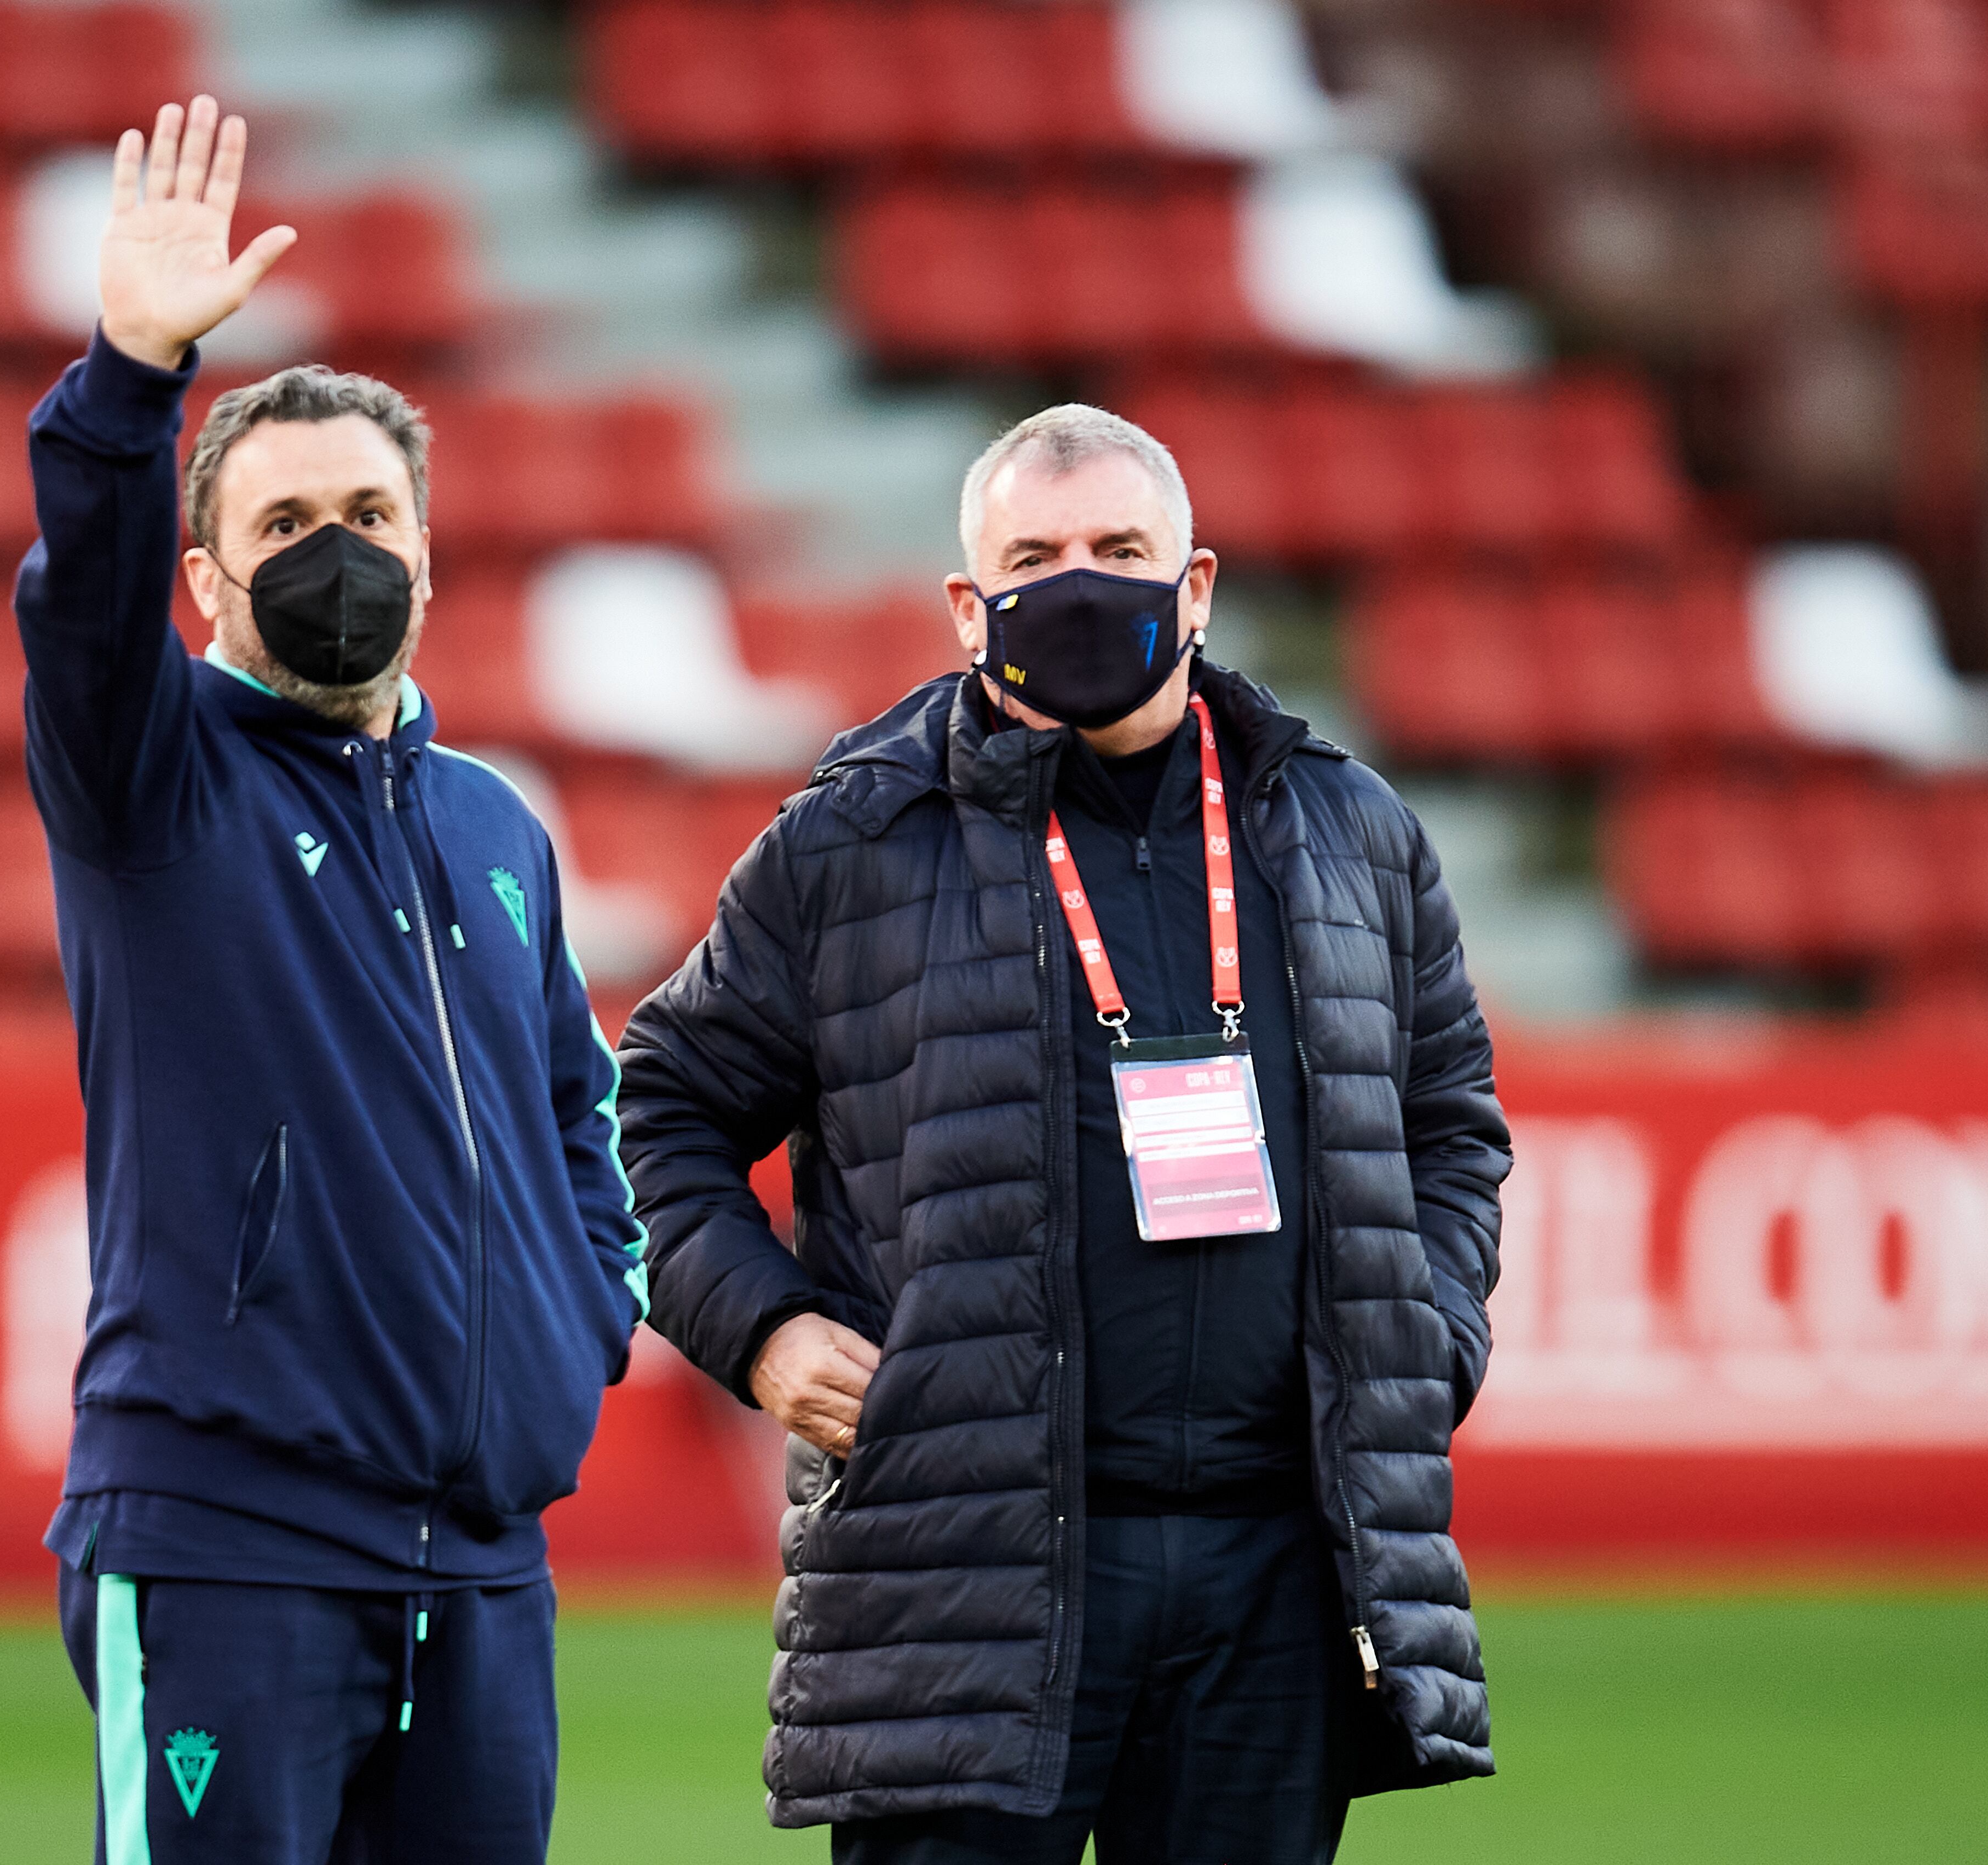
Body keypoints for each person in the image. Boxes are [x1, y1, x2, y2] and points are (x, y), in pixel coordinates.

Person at [616, 405, 1508, 1861]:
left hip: (1280, 1570)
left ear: (1196, 586)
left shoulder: (1348, 833)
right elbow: (656, 1111)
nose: (1080, 584)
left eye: (1121, 551)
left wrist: (1429, 1331)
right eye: (1035, 556)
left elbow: (1450, 1131)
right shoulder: (850, 845)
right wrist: (762, 1332)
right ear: (971, 607)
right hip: (967, 1569)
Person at [14, 96, 647, 1864]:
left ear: (431, 550)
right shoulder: (150, 782)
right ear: (207, 579)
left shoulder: (497, 829)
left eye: (372, 512)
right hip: (226, 1543)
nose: (338, 552)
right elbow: (82, 605)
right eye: (286, 524)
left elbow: (575, 1119)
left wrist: (575, 1324)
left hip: (485, 1559)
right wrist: (134, 379)